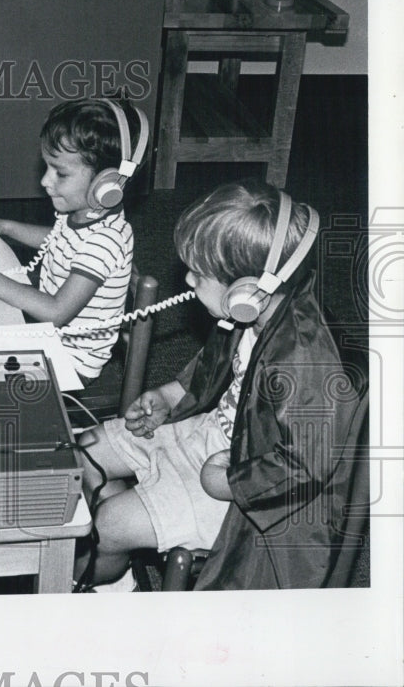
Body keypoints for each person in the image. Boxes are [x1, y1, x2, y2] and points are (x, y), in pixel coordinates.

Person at [77, 180, 364, 590]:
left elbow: (306, 463)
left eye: (200, 273)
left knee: (107, 525)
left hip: (243, 487)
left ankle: (98, 587)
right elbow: (210, 368)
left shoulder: (304, 359)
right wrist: (168, 397)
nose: (189, 281)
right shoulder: (247, 314)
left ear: (248, 291)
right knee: (85, 453)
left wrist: (228, 482)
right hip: (214, 435)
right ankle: (123, 529)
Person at [0, 99, 142, 382]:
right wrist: (5, 226)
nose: (45, 180)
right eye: (47, 167)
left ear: (107, 184)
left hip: (69, 363)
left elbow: (56, 312)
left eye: (60, 172)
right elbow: (58, 240)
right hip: (44, 332)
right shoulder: (86, 213)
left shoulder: (105, 241)